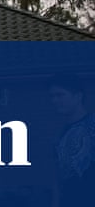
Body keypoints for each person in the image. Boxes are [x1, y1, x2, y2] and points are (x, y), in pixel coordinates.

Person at [49, 75, 95, 207]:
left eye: (60, 95)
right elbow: (57, 175)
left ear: (78, 96)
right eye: (52, 96)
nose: (54, 100)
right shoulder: (62, 134)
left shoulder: (92, 125)